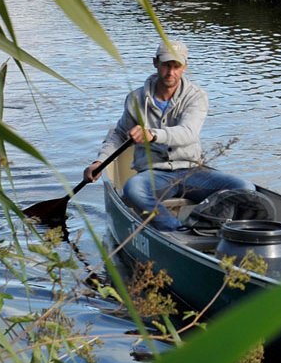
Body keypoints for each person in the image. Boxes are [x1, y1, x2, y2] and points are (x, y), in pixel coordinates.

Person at [86, 39, 253, 231]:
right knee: (133, 190)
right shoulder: (136, 99)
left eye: (176, 66)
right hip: (153, 174)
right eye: (166, 65)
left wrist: (152, 135)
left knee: (245, 188)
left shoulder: (196, 96)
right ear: (156, 63)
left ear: (185, 67)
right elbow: (119, 135)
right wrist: (99, 162)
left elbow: (188, 133)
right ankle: (177, 231)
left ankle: (206, 225)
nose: (170, 72)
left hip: (192, 171)